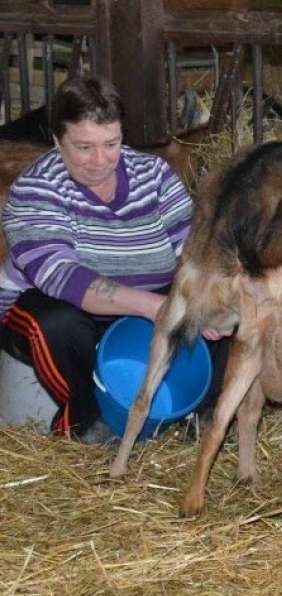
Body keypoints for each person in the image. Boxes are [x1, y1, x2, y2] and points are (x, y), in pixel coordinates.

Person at [0, 75, 222, 444]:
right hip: (59, 312)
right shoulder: (35, 189)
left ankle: (197, 418)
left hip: (142, 311)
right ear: (57, 141)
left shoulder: (154, 175)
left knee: (225, 311)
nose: (99, 160)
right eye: (83, 147)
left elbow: (191, 248)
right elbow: (63, 277)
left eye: (111, 144)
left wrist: (202, 300)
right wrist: (158, 308)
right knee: (55, 322)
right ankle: (84, 421)